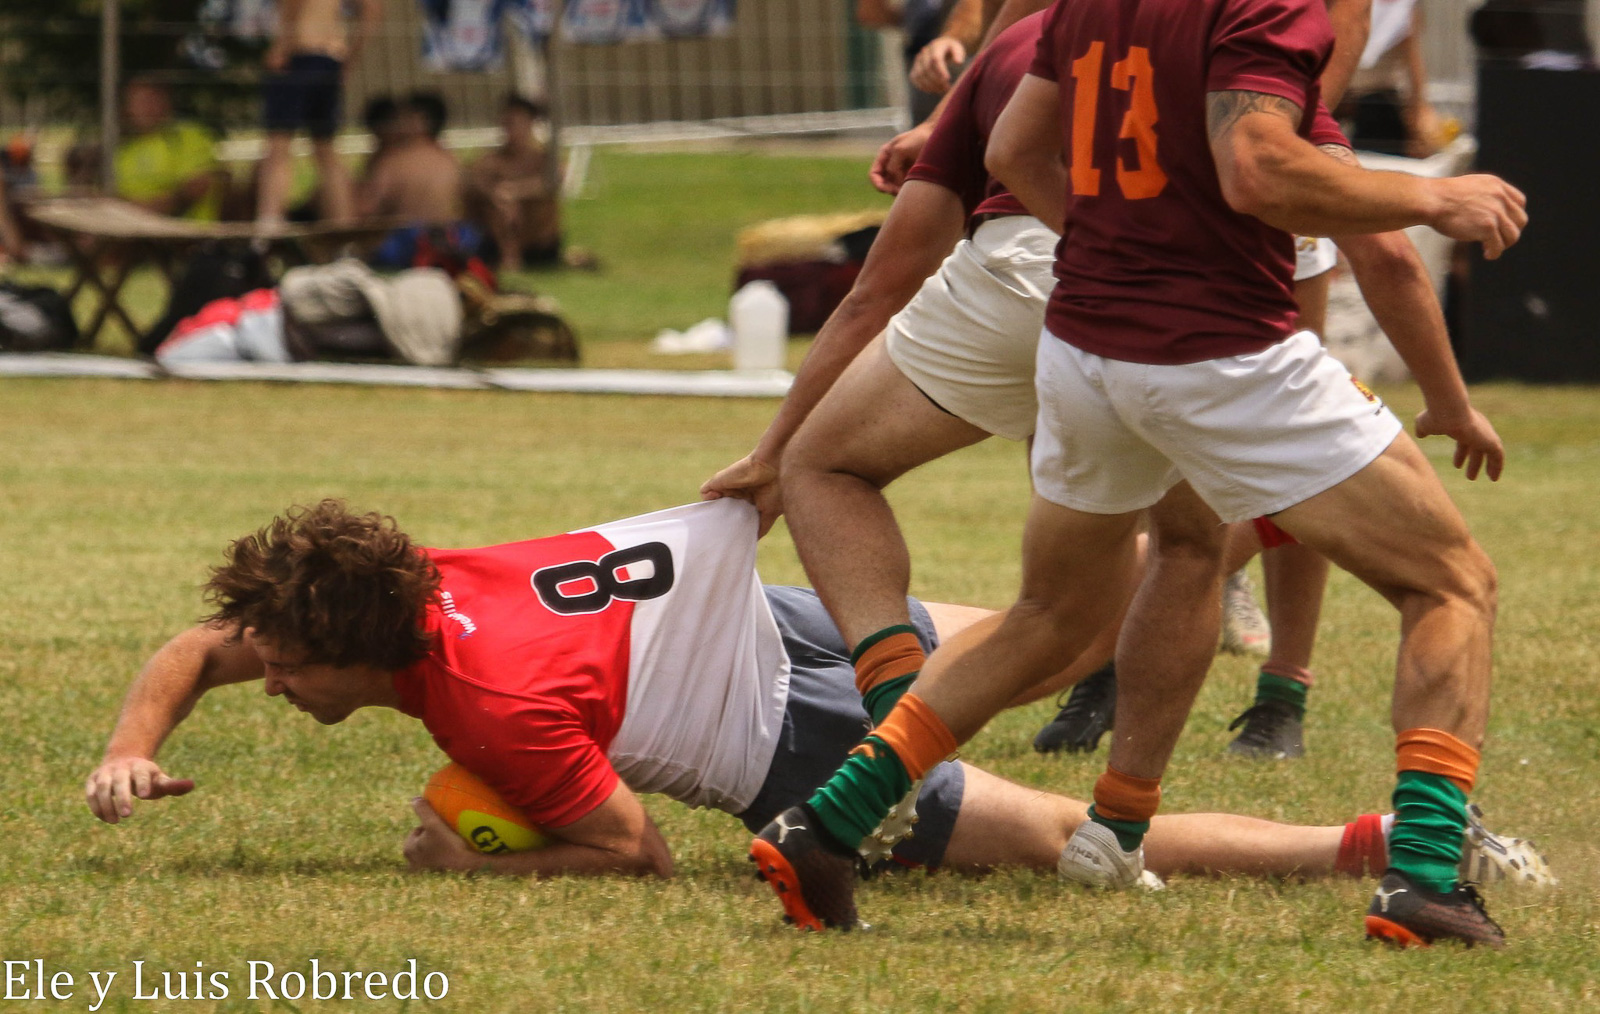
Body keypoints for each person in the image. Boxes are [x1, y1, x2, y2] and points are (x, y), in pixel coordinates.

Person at [751, 0, 1527, 949]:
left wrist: (1111, 248)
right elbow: (1258, 167)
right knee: (1451, 582)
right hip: (1216, 350)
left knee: (1048, 617)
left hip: (1086, 348)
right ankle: (1424, 882)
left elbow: (1014, 149)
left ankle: (828, 825)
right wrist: (1431, 196)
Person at [82, 498, 1549, 903]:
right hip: (768, 621)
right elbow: (193, 649)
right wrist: (128, 753)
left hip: (794, 731)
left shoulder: (486, 712)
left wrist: (469, 849)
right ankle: (1171, 582)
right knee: (1036, 623)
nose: (263, 679)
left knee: (1060, 838)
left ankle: (1372, 841)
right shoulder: (421, 581)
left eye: (283, 667)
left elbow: (634, 849)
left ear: (355, 654)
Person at [256, 0, 382, 225]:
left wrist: (282, 44)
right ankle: (343, 227)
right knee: (325, 148)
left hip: (298, 54)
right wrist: (351, 56)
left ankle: (269, 226)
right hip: (330, 56)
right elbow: (373, 7)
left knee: (278, 146)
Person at [361, 92, 481, 269]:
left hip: (409, 243)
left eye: (404, 117)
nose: (398, 123)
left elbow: (367, 208)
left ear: (419, 121)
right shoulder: (451, 160)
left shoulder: (392, 161)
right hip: (453, 237)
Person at [464, 95, 562, 272]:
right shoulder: (491, 160)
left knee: (533, 203)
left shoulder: (543, 160)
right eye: (508, 123)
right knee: (493, 206)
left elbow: (552, 183)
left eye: (518, 123)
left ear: (531, 124)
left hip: (538, 242)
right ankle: (508, 255)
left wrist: (514, 192)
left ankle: (513, 255)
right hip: (497, 237)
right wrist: (498, 197)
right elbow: (473, 182)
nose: (512, 130)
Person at [113, 77, 224, 221]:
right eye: (139, 102)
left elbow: (198, 187)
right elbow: (118, 196)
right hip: (132, 230)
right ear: (127, 108)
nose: (147, 108)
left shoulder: (189, 136)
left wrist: (144, 210)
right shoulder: (124, 150)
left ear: (166, 103)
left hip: (184, 233)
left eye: (153, 100)